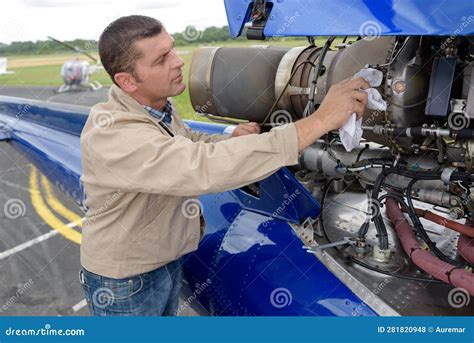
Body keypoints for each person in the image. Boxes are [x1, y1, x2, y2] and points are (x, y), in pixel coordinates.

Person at [79, 15, 369, 316]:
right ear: (127, 81)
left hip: (163, 260)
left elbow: (187, 140)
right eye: (162, 59)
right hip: (125, 282)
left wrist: (231, 140)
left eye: (173, 49)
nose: (178, 62)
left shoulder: (154, 107)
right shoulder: (114, 134)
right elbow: (200, 166)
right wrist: (320, 120)